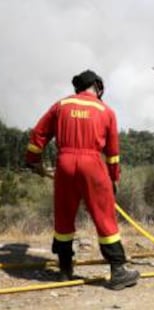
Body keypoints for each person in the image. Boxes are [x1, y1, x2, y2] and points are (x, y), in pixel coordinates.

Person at [25, 69, 139, 290]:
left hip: (65, 164)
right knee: (104, 217)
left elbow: (38, 134)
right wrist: (114, 177)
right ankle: (118, 272)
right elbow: (113, 153)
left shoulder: (60, 106)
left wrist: (33, 160)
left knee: (64, 218)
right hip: (93, 165)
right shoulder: (106, 111)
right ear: (97, 86)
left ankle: (65, 272)